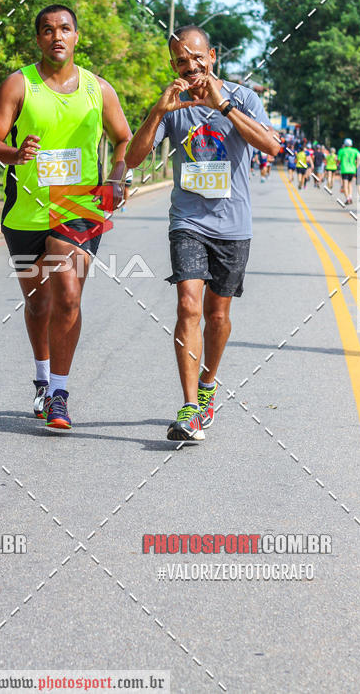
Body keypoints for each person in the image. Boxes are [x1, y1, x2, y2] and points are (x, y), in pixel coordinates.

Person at [0, 4, 131, 432]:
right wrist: (13, 153)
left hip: (80, 206)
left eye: (64, 28)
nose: (56, 36)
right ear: (38, 39)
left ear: (77, 36)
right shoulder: (18, 84)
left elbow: (124, 139)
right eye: (47, 30)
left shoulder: (99, 89)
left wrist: (118, 177)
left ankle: (60, 396)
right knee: (38, 302)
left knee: (67, 293)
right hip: (26, 208)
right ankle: (42, 379)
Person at [125, 25, 280, 442]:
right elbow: (134, 158)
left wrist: (224, 106)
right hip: (188, 222)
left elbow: (271, 146)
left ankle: (209, 386)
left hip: (234, 225)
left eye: (197, 57)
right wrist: (159, 111)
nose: (190, 66)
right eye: (180, 60)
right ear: (173, 64)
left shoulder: (243, 97)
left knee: (217, 315)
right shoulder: (172, 104)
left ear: (212, 55)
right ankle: (190, 407)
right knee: (188, 306)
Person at [337, 137, 360, 205]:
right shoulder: (355, 150)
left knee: (345, 185)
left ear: (345, 144)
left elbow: (338, 160)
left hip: (344, 169)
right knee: (350, 184)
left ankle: (348, 198)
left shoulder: (341, 150)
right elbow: (359, 158)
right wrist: (356, 166)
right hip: (352, 170)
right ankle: (350, 196)